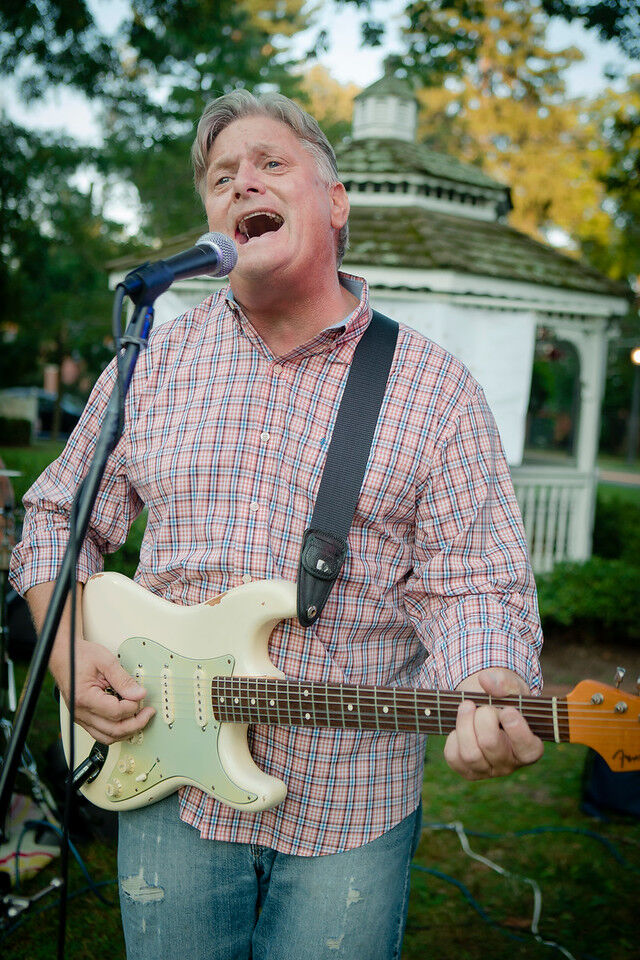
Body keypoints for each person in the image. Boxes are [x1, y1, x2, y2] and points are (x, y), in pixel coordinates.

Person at [10, 90, 544, 959]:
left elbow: (474, 580)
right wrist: (67, 651)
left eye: (270, 164)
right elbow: (56, 516)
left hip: (353, 804)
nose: (240, 183)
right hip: (166, 782)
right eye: (221, 178)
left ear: (335, 203)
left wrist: (489, 682)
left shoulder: (434, 388)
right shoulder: (157, 358)